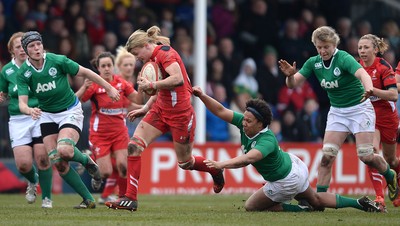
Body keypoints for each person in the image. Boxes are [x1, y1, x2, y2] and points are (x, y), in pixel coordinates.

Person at [192, 86, 384, 212]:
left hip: (285, 181)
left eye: (249, 121)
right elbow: (219, 110)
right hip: (294, 167)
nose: (244, 123)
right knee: (317, 201)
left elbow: (248, 159)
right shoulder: (246, 122)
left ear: (260, 123)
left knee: (251, 206)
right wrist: (202, 95)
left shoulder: (266, 140)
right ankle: (359, 203)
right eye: (244, 118)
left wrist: (221, 164)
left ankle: (301, 210)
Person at [105, 26, 225, 211]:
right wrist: (145, 108)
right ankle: (130, 198)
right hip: (160, 110)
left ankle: (215, 169)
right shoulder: (153, 58)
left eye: (138, 55)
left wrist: (151, 84)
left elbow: (177, 79)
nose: (139, 60)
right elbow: (162, 88)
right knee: (134, 146)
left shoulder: (165, 53)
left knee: (186, 163)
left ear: (146, 45)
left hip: (181, 115)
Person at [278, 26, 398, 203]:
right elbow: (292, 84)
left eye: (326, 46)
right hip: (337, 112)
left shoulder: (343, 58)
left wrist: (369, 89)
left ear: (334, 44)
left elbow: (362, 74)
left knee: (366, 156)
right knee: (327, 156)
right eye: (319, 47)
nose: (322, 50)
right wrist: (289, 76)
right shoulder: (313, 62)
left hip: (360, 109)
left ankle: (390, 174)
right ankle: (319, 200)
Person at [17, 31, 120, 209]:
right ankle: (88, 199)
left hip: (69, 111)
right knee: (58, 162)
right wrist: (29, 110)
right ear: (26, 51)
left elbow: (86, 72)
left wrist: (109, 87)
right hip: (46, 115)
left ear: (42, 45)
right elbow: (22, 104)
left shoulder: (58, 61)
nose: (36, 48)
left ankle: (87, 161)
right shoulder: (24, 73)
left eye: (38, 44)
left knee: (64, 149)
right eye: (32, 46)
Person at [76, 51, 142, 204]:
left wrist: (145, 88)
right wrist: (84, 88)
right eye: (103, 66)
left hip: (119, 132)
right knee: (106, 172)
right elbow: (76, 101)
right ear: (98, 69)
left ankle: (124, 198)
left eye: (109, 65)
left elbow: (136, 98)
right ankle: (92, 165)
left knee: (123, 166)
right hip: (100, 135)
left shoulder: (122, 84)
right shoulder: (94, 85)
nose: (106, 69)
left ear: (113, 67)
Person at [0, 32, 53, 208]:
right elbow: (3, 93)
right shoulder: (7, 71)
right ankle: (33, 180)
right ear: (11, 51)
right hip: (18, 119)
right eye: (18, 47)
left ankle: (47, 198)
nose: (22, 50)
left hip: (39, 115)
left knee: (42, 158)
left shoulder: (38, 66)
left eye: (24, 46)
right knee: (23, 165)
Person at [358, 34, 400, 208]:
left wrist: (373, 91)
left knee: (391, 160)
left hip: (387, 117)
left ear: (375, 50)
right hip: (368, 115)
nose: (362, 51)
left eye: (366, 47)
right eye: (360, 48)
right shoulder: (356, 68)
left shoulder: (383, 67)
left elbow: (393, 95)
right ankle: (379, 198)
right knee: (371, 152)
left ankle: (395, 179)